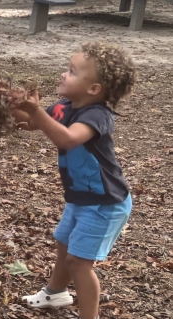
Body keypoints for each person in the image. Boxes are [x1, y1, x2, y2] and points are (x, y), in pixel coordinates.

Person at [8, 42, 137, 319]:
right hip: (82, 197)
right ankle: (56, 293)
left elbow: (67, 139)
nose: (63, 74)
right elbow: (30, 123)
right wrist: (10, 104)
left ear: (93, 89)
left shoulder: (97, 116)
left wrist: (36, 111)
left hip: (105, 202)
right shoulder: (64, 106)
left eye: (72, 72)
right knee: (64, 244)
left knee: (78, 262)